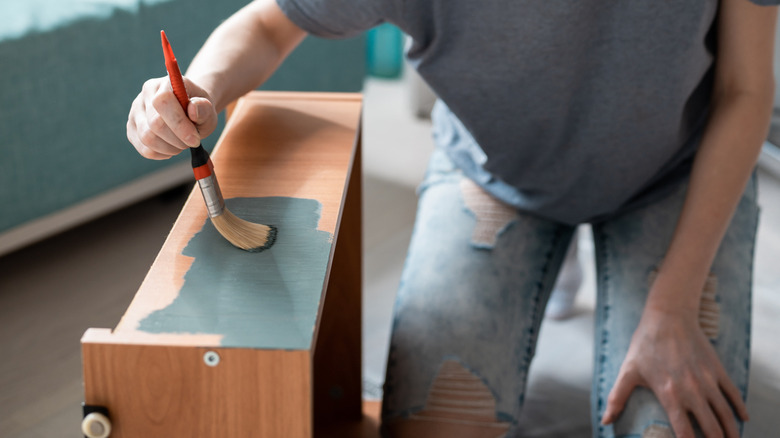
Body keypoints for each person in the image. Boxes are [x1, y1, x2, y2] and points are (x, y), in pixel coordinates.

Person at [126, 0, 778, 436]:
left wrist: (671, 306)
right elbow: (269, 24)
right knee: (432, 423)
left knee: (674, 421)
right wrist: (200, 89)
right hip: (493, 169)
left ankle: (606, 261)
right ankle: (561, 248)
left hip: (670, 175)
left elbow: (746, 90)